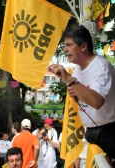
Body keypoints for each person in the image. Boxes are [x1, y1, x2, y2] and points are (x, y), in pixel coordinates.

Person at [48, 25, 115, 167]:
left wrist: (69, 79)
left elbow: (97, 101)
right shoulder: (78, 68)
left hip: (108, 132)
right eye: (64, 45)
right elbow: (83, 96)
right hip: (91, 131)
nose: (65, 50)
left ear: (83, 46)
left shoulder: (101, 67)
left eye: (69, 45)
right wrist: (75, 94)